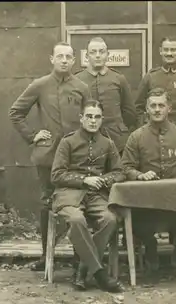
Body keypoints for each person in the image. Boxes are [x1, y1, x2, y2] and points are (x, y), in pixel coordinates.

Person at [9, 42, 90, 272]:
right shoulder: (40, 85)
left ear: (74, 61)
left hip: (76, 158)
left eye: (68, 57)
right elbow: (15, 113)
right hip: (48, 157)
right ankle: (47, 257)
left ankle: (79, 259)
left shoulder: (82, 87)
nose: (64, 60)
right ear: (52, 59)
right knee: (48, 204)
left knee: (77, 204)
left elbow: (90, 118)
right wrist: (34, 136)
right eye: (60, 56)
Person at [122, 88, 176, 277]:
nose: (157, 110)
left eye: (161, 105)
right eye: (153, 106)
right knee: (135, 221)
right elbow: (125, 167)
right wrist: (139, 175)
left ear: (169, 109)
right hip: (147, 202)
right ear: (147, 110)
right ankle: (150, 248)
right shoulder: (136, 137)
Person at [51, 100, 124, 293]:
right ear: (81, 118)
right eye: (89, 116)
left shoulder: (107, 144)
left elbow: (119, 172)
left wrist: (102, 179)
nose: (93, 121)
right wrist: (84, 180)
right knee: (76, 220)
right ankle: (99, 274)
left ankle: (82, 269)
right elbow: (56, 174)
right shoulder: (67, 142)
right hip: (68, 194)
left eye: (97, 117)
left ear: (102, 119)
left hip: (96, 196)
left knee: (110, 219)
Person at [75, 37, 138, 154]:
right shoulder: (78, 80)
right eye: (93, 52)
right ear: (87, 56)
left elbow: (129, 112)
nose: (98, 55)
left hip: (116, 141)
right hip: (86, 141)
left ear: (107, 54)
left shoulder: (118, 79)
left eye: (101, 52)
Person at [135, 37, 176, 128]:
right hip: (154, 129)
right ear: (160, 51)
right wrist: (145, 125)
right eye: (166, 50)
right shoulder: (150, 77)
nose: (169, 53)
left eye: (173, 50)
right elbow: (138, 107)